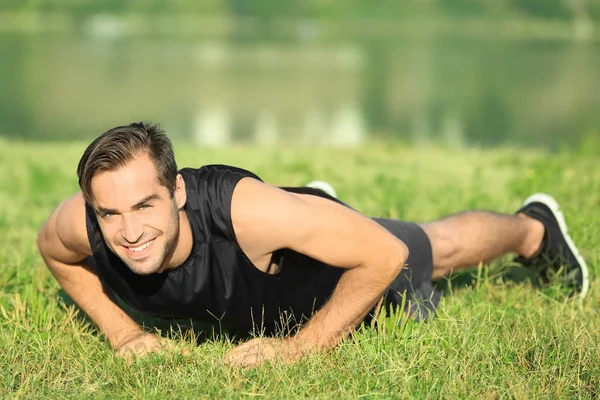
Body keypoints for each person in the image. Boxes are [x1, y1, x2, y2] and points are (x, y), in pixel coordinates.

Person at [36, 122, 589, 368]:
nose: (128, 232)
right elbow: (53, 251)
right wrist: (123, 333)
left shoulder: (241, 213)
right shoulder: (81, 223)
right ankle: (314, 212)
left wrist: (301, 348)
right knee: (302, 225)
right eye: (110, 213)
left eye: (145, 206)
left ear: (176, 190)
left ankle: (533, 229)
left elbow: (383, 256)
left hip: (314, 263)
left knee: (430, 250)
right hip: (278, 245)